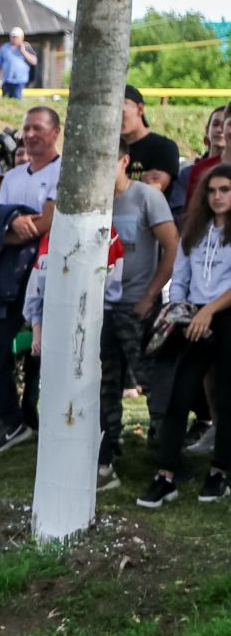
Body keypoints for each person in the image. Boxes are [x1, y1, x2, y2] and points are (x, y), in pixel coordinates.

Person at [137, 168, 231, 508]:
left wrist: (209, 312)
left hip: (225, 315)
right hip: (193, 318)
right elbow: (180, 276)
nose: (218, 196)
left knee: (225, 396)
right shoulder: (194, 230)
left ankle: (219, 472)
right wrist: (180, 310)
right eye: (212, 190)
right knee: (179, 396)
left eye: (225, 190)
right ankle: (166, 475)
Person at [98, 140, 180, 489]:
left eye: (109, 160)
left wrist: (150, 296)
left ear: (124, 161)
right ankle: (107, 442)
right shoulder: (94, 202)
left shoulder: (146, 197)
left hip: (137, 305)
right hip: (102, 307)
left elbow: (172, 246)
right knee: (105, 379)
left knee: (150, 377)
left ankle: (164, 447)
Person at [0, 106, 63, 452]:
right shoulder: (13, 176)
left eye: (38, 128)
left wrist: (10, 228)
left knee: (47, 353)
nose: (30, 135)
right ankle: (11, 421)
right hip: (9, 274)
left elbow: (45, 223)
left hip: (47, 269)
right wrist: (11, 226)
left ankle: (50, 424)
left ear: (56, 132)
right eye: (26, 128)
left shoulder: (64, 172)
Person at [122, 84, 180, 201]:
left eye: (122, 113)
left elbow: (150, 194)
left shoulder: (163, 147)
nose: (116, 119)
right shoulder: (107, 149)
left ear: (140, 109)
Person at [0, 28, 38, 99]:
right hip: (7, 80)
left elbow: (34, 61)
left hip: (20, 81)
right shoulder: (4, 48)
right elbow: (0, 64)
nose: (14, 39)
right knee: (5, 100)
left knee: (17, 100)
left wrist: (24, 52)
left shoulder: (26, 46)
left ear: (22, 37)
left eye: (16, 37)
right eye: (13, 37)